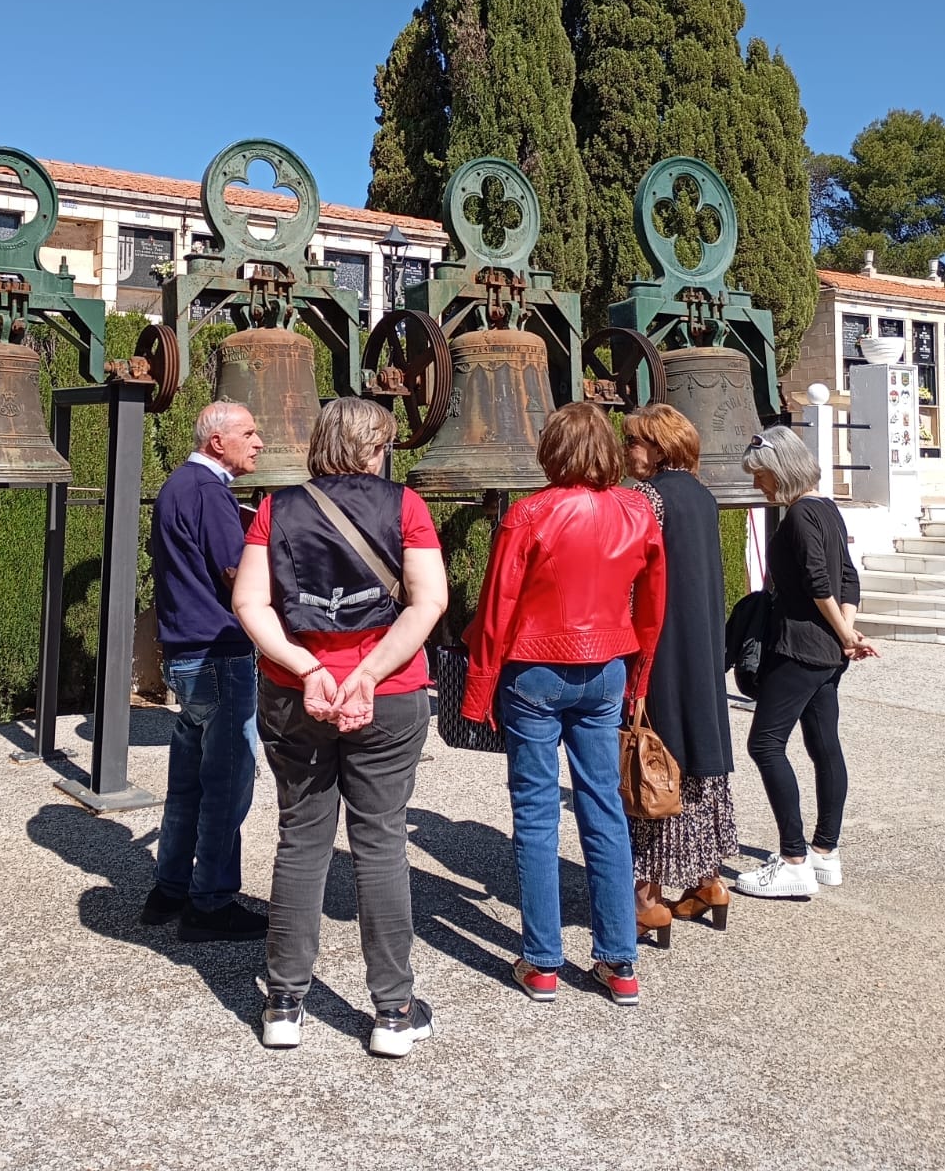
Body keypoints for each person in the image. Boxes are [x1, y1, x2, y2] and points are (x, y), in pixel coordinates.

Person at [232, 398, 448, 1056]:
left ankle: (285, 1003)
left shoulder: (276, 507)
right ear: (374, 448)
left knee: (301, 839)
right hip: (390, 697)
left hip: (297, 695)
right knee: (380, 843)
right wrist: (371, 673)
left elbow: (249, 601)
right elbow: (428, 601)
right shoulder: (405, 507)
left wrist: (305, 665)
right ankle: (392, 1012)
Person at [462, 402, 666, 1008]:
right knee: (603, 807)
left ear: (551, 450)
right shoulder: (637, 511)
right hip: (606, 665)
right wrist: (639, 675)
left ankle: (544, 962)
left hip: (535, 668)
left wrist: (478, 689)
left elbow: (497, 608)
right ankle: (618, 962)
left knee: (535, 812)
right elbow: (653, 603)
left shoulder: (530, 514)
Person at [141, 401, 268, 942]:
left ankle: (169, 888)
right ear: (218, 442)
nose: (259, 442)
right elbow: (238, 574)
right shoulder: (209, 493)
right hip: (220, 653)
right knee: (227, 785)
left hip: (184, 654)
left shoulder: (176, 486)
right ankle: (211, 903)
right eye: (249, 432)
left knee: (187, 782)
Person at [734, 426, 877, 900]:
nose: (758, 485)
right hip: (828, 654)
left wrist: (843, 633)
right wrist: (847, 635)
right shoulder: (828, 509)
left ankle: (794, 859)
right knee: (823, 745)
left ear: (780, 471)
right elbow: (847, 579)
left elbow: (820, 582)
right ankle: (825, 854)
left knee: (765, 744)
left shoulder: (796, 515)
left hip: (799, 648)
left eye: (761, 476)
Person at [622, 405, 737, 941]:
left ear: (660, 447)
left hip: (663, 646)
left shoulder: (650, 499)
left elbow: (633, 577)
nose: (627, 453)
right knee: (698, 756)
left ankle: (648, 897)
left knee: (653, 759)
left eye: (636, 444)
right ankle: (708, 881)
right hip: (702, 644)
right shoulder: (703, 496)